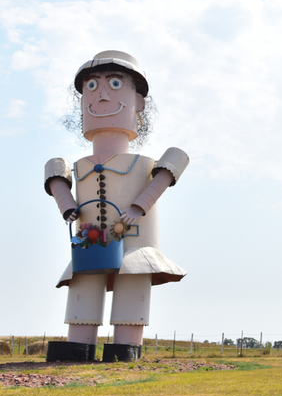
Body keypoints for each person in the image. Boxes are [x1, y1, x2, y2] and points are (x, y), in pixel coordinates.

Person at [44, 50, 189, 362]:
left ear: (138, 103)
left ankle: (126, 346)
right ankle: (78, 344)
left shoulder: (144, 163)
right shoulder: (78, 164)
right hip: (88, 239)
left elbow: (171, 168)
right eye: (92, 87)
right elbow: (56, 177)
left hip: (136, 239)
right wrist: (66, 204)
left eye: (114, 83)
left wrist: (138, 206)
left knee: (132, 283)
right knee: (84, 284)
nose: (103, 96)